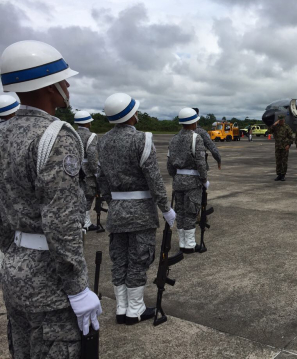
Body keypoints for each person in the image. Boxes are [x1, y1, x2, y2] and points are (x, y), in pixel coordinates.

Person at [0, 40, 101, 358]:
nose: (68, 84)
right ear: (49, 85)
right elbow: (61, 221)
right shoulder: (56, 136)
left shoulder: (4, 133)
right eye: (63, 78)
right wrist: (77, 286)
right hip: (50, 281)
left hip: (13, 269)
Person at [97, 92, 176, 325]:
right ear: (132, 115)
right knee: (138, 259)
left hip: (117, 210)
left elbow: (101, 178)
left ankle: (121, 308)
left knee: (119, 258)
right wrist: (165, 208)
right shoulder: (142, 139)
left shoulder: (102, 141)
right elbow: (153, 179)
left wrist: (112, 202)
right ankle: (135, 310)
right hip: (141, 211)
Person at [167, 107, 208, 253]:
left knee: (180, 211)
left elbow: (169, 163)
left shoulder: (174, 139)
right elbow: (201, 162)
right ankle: (190, 245)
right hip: (192, 182)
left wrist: (176, 176)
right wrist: (204, 179)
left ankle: (182, 243)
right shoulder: (196, 138)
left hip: (178, 181)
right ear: (193, 122)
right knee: (191, 212)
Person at [75, 110, 99, 231]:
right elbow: (92, 156)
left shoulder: (72, 133)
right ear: (88, 123)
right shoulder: (91, 136)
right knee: (89, 196)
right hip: (87, 171)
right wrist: (96, 173)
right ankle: (86, 222)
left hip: (74, 169)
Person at [268, 114, 294, 181]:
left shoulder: (287, 127)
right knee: (278, 161)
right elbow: (269, 131)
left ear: (284, 120)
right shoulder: (276, 127)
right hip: (278, 147)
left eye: (282, 120)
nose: (281, 121)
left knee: (284, 162)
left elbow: (291, 138)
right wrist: (274, 125)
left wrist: (288, 145)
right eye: (280, 120)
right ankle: (279, 174)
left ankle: (283, 175)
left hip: (285, 147)